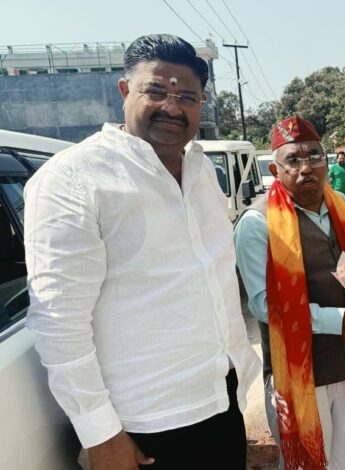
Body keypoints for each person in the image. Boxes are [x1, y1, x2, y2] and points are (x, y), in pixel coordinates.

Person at [23, 34, 261, 470]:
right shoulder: (73, 178)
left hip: (220, 398)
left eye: (187, 97)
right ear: (124, 90)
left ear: (202, 103)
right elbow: (59, 320)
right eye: (156, 91)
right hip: (144, 424)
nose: (172, 107)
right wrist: (101, 433)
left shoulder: (202, 169)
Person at [234, 116, 345, 470]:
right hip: (295, 371)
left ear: (327, 160)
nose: (306, 167)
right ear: (275, 169)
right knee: (306, 464)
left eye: (314, 156)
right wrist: (342, 320)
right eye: (293, 160)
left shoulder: (341, 204)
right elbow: (264, 305)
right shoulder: (257, 222)